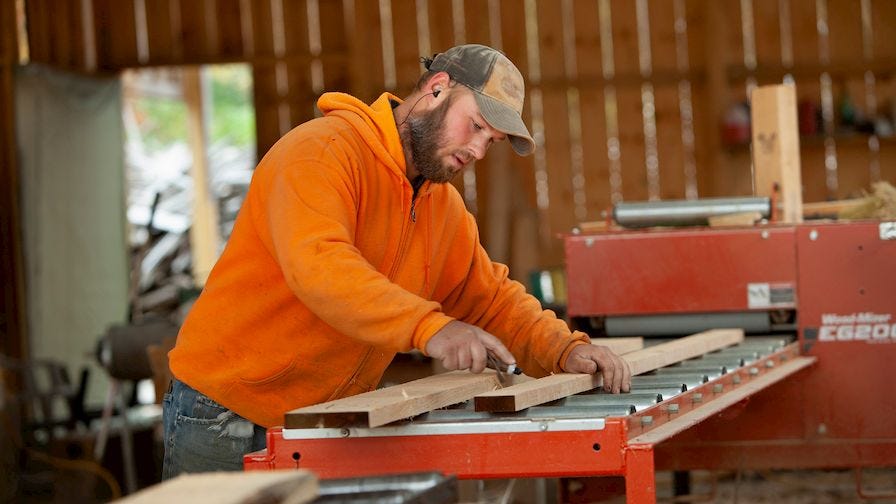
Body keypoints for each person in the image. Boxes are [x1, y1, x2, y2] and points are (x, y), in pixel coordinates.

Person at [162, 44, 631, 478]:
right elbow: (322, 268)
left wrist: (564, 350)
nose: (477, 150)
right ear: (437, 87)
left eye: (492, 141)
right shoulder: (321, 153)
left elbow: (489, 300)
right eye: (476, 126)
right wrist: (431, 328)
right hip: (225, 410)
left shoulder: (441, 209)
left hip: (318, 420)